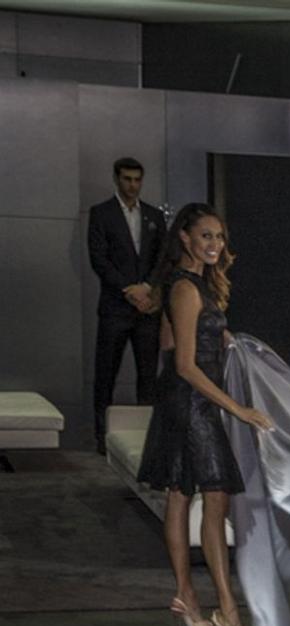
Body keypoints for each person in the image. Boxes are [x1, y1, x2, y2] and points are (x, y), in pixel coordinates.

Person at [136, 203, 274, 626]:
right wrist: (238, 409)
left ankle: (188, 599)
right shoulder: (185, 287)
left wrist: (225, 339)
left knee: (181, 497)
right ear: (186, 239)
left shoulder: (194, 286)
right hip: (191, 404)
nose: (214, 244)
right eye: (206, 236)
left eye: (219, 237)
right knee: (213, 501)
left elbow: (171, 341)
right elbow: (183, 364)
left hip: (185, 403)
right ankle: (228, 613)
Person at [86, 157, 169, 454]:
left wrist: (147, 288)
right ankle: (101, 438)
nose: (132, 185)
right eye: (127, 179)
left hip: (147, 309)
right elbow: (99, 259)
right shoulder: (101, 214)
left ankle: (145, 438)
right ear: (116, 179)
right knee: (106, 374)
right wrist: (128, 290)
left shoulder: (154, 216)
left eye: (137, 180)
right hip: (115, 307)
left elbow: (163, 258)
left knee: (148, 376)